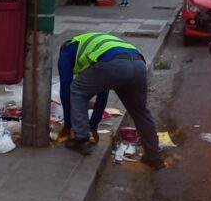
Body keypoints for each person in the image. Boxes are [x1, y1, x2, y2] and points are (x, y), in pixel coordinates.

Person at [57, 32, 163, 168]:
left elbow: (66, 88)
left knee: (77, 90)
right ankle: (154, 156)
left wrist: (68, 125)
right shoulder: (93, 45)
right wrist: (93, 126)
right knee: (140, 111)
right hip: (138, 63)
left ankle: (81, 139)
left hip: (114, 63)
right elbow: (103, 91)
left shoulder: (66, 50)